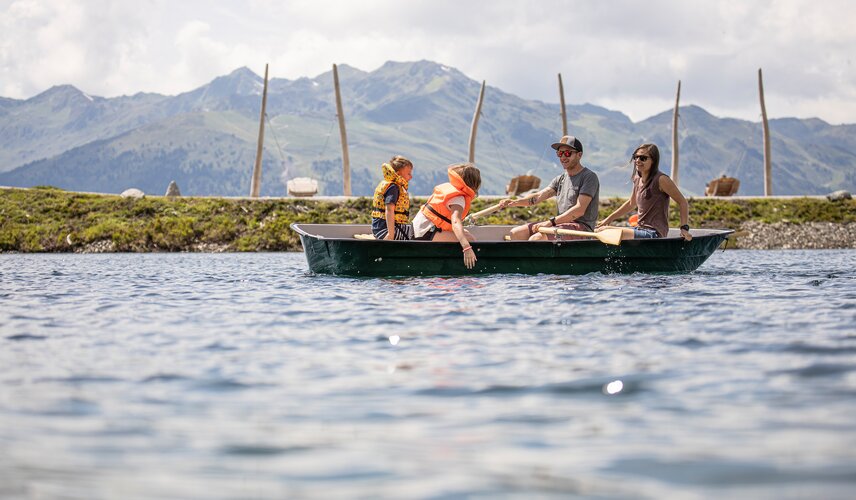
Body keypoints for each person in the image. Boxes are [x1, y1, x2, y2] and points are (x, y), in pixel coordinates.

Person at [498, 135, 600, 241]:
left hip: (581, 229)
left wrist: (550, 222)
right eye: (560, 153)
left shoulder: (589, 177)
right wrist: (514, 202)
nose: (563, 157)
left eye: (567, 153)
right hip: (561, 225)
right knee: (516, 233)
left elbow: (579, 210)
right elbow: (538, 196)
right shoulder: (560, 179)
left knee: (537, 239)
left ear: (579, 155)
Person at [595, 143, 692, 241]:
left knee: (606, 231)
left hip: (654, 234)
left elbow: (682, 202)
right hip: (639, 229)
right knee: (600, 230)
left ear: (653, 161)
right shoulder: (637, 178)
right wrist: (608, 219)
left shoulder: (661, 180)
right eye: (635, 157)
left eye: (643, 158)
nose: (638, 160)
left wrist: (684, 228)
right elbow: (631, 203)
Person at [412, 162, 482, 269]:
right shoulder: (459, 199)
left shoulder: (451, 190)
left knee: (465, 233)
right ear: (473, 184)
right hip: (425, 233)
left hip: (419, 228)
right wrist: (467, 247)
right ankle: (464, 265)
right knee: (470, 239)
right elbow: (455, 222)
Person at [370, 155, 415, 240]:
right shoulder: (393, 187)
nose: (411, 176)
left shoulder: (391, 185)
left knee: (417, 230)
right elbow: (389, 210)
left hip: (380, 228)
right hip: (384, 230)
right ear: (398, 174)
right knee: (419, 235)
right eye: (408, 173)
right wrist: (390, 235)